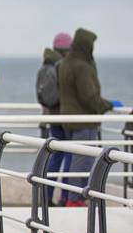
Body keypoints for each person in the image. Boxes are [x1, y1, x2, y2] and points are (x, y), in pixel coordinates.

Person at [57, 28, 124, 207]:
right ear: (87, 45)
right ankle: (75, 199)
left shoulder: (65, 63)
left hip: (69, 120)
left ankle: (69, 197)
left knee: (73, 160)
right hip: (84, 121)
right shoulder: (81, 66)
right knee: (83, 161)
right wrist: (109, 105)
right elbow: (89, 98)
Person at [35, 32, 72, 206]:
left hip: (51, 119)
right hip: (63, 120)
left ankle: (46, 197)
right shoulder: (60, 67)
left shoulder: (44, 67)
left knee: (53, 159)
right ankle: (65, 197)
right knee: (69, 159)